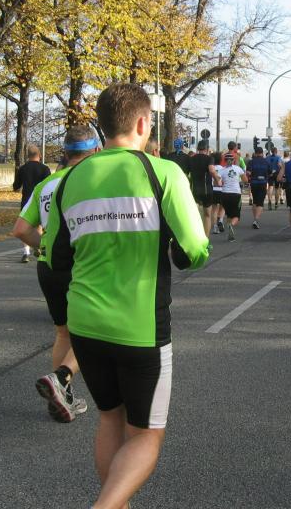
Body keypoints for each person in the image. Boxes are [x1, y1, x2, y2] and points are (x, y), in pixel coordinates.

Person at [43, 83, 209, 508]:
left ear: (102, 126)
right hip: (140, 326)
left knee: (109, 419)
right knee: (146, 435)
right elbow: (194, 249)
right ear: (142, 123)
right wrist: (178, 251)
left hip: (84, 323)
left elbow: (54, 256)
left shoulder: (71, 178)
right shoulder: (162, 171)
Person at [11, 125, 97, 422]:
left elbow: (21, 229)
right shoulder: (93, 179)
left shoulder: (46, 185)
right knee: (94, 331)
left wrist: (42, 246)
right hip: (81, 264)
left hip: (47, 266)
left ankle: (63, 397)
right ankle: (60, 379)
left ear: (65, 152)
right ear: (95, 150)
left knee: (63, 332)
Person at [13, 145, 51, 262]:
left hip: (26, 200)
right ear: (39, 155)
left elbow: (16, 186)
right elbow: (49, 185)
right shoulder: (45, 169)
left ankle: (26, 253)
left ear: (27, 156)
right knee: (39, 225)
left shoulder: (23, 169)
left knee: (26, 225)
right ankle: (38, 247)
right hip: (41, 200)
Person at [189, 141, 221, 246]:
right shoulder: (209, 158)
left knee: (195, 215)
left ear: (198, 149)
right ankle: (205, 241)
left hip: (194, 190)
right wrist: (217, 180)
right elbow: (211, 170)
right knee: (207, 215)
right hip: (207, 190)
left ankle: (195, 239)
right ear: (207, 149)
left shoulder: (191, 159)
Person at [218, 154, 247, 242]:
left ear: (225, 161)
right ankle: (231, 225)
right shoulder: (238, 169)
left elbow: (218, 182)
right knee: (236, 216)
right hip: (236, 194)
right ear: (233, 160)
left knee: (229, 214)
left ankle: (230, 234)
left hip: (225, 194)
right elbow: (245, 180)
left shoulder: (221, 170)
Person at [246, 147, 270, 229]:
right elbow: (270, 172)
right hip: (263, 183)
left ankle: (255, 219)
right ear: (262, 153)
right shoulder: (266, 162)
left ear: (255, 153)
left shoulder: (251, 162)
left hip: (254, 183)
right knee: (260, 203)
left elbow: (248, 173)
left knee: (255, 201)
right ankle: (256, 220)